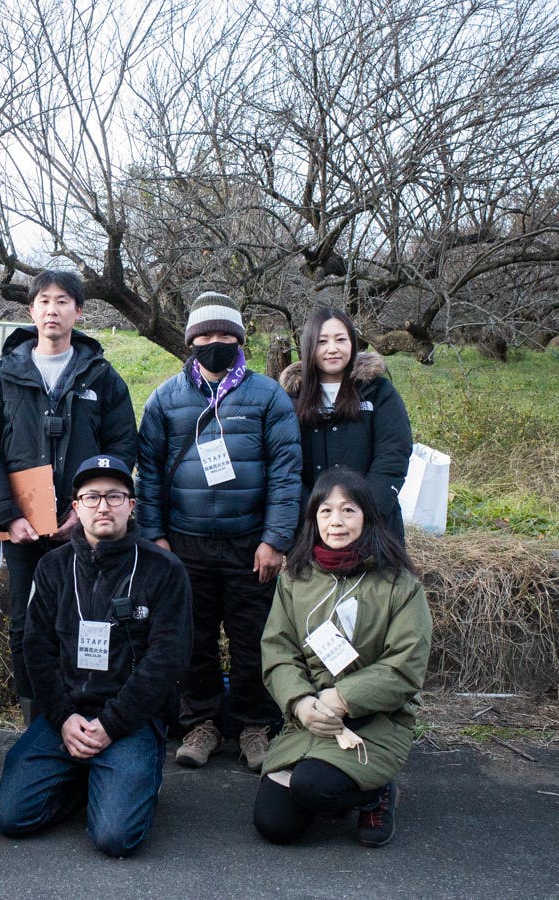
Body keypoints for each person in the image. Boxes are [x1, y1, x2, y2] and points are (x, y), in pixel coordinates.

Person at [0, 456, 192, 857]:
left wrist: (112, 724)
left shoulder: (163, 569)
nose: (103, 506)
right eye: (92, 497)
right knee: (11, 817)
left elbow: (166, 659)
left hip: (130, 720)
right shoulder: (52, 567)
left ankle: (129, 778)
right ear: (76, 507)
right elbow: (37, 649)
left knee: (115, 838)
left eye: (115, 496)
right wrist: (63, 717)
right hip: (66, 715)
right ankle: (94, 778)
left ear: (131, 505)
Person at [136, 292, 301, 772]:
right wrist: (156, 537)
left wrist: (275, 539)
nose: (214, 343)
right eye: (205, 335)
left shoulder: (268, 395)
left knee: (254, 638)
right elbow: (148, 475)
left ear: (239, 339)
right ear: (191, 341)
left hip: (250, 543)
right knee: (193, 639)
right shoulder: (165, 399)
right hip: (184, 542)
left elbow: (287, 473)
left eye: (224, 335)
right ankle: (201, 722)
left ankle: (254, 726)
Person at [0, 269, 138, 725]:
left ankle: (81, 709)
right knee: (25, 621)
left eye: (63, 301)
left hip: (83, 526)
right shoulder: (3, 375)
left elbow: (123, 445)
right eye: (44, 301)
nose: (52, 310)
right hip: (21, 524)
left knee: (83, 615)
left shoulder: (102, 376)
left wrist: (89, 511)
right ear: (31, 310)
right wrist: (6, 514)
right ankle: (34, 718)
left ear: (78, 311)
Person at [253, 469, 432, 848]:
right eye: (326, 511)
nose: (336, 521)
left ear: (367, 516)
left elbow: (405, 665)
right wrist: (300, 703)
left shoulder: (399, 584)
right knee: (274, 824)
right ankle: (331, 784)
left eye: (348, 510)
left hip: (374, 720)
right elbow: (278, 650)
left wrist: (343, 698)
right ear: (313, 519)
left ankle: (376, 795)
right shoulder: (296, 579)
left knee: (313, 785)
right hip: (309, 720)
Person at [279, 308, 413, 540]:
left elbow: (393, 454)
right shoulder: (291, 398)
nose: (332, 348)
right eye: (322, 341)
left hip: (375, 525)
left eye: (340, 339)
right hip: (311, 529)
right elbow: (285, 464)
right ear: (309, 346)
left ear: (352, 343)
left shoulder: (378, 391)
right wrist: (314, 519)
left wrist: (364, 515)